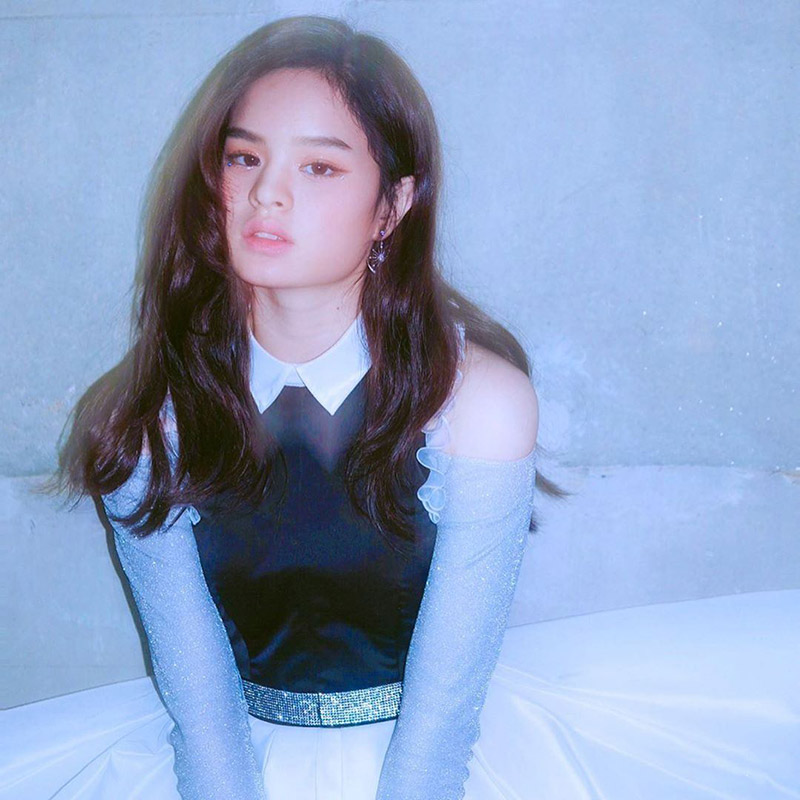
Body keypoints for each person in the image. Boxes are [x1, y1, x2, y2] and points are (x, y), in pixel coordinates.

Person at [4, 13, 798, 800]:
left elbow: (443, 719)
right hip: (228, 761)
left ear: (392, 204)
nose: (265, 194)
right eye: (244, 158)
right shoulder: (148, 421)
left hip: (435, 761)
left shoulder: (478, 404)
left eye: (320, 168)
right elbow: (200, 709)